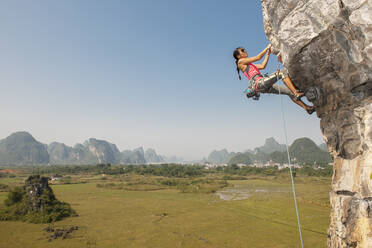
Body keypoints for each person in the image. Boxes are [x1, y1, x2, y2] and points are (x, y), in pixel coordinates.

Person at [233, 45, 315, 114]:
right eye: (242, 50)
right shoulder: (240, 62)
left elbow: (262, 66)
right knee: (282, 73)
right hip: (259, 83)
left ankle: (307, 108)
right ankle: (296, 93)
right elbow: (258, 57)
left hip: (262, 85)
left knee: (289, 92)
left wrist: (267, 54)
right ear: (238, 56)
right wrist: (267, 48)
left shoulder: (249, 65)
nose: (245, 51)